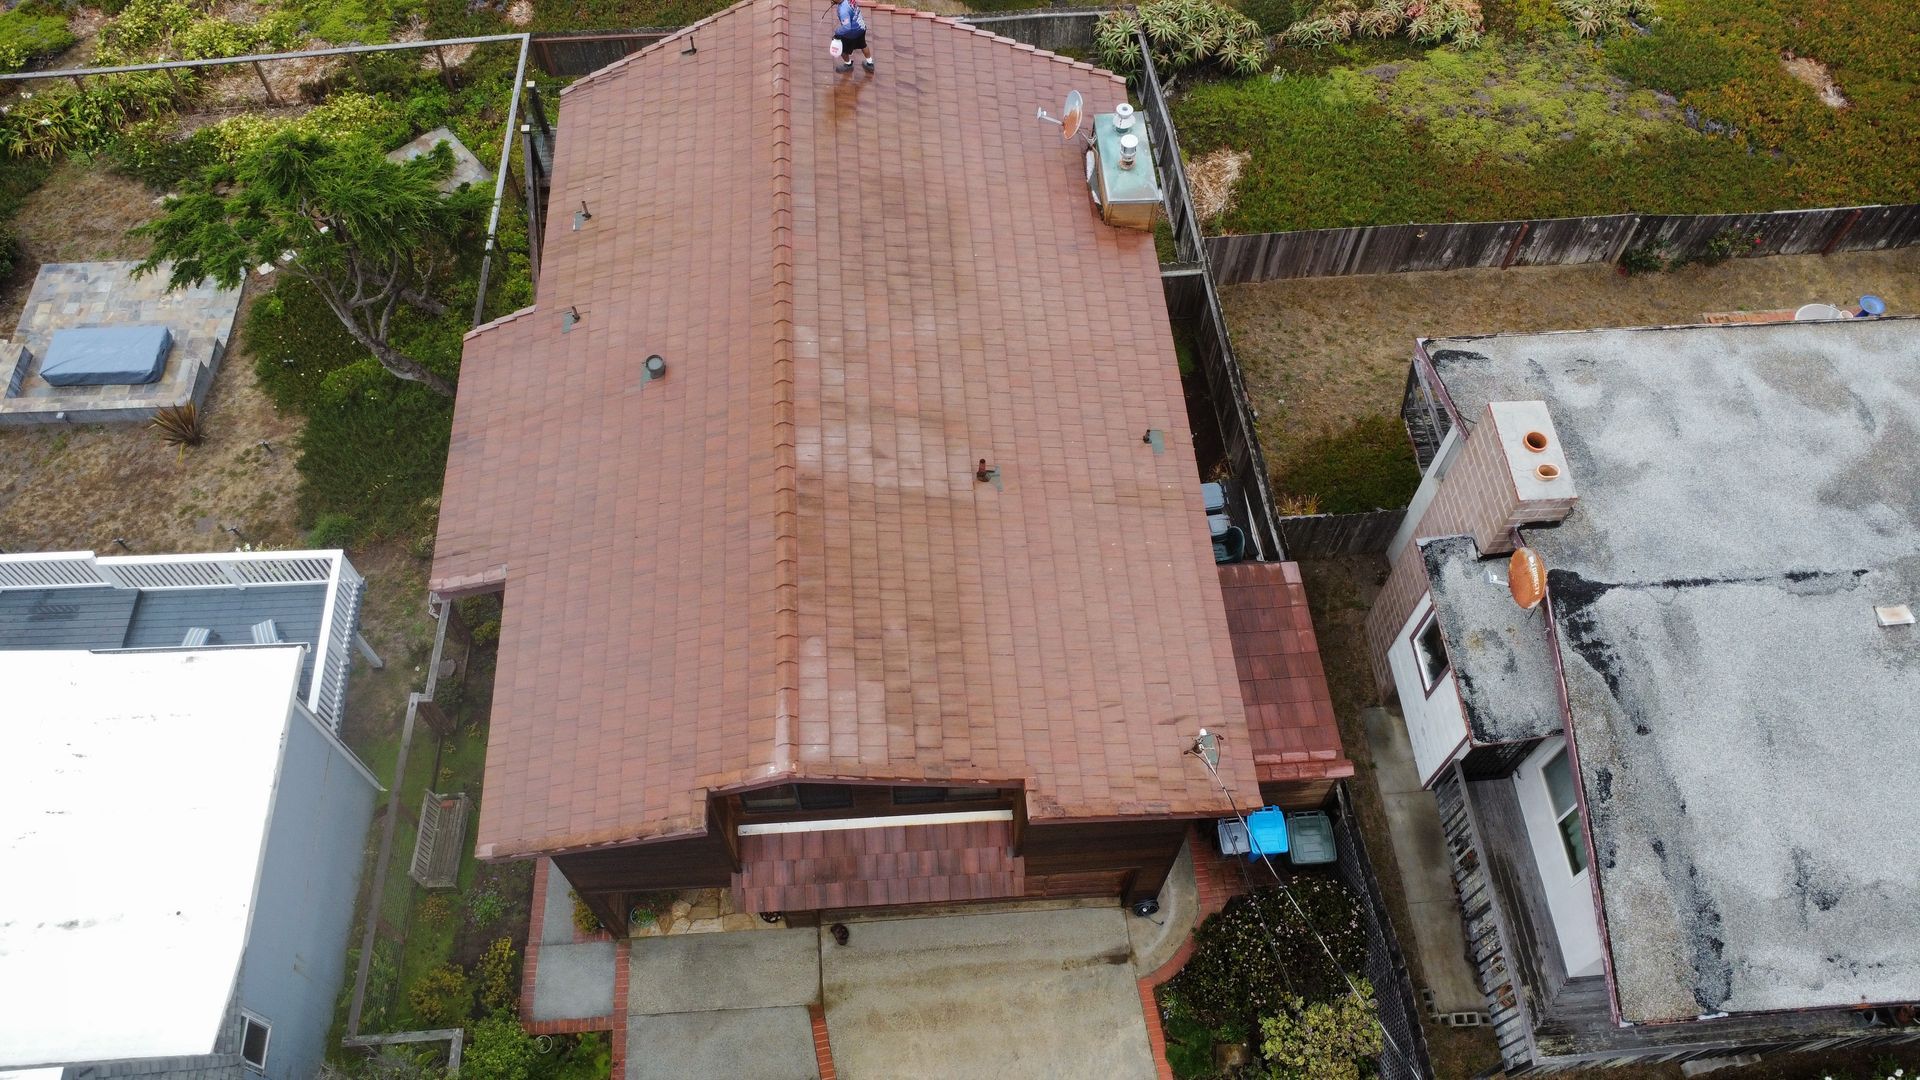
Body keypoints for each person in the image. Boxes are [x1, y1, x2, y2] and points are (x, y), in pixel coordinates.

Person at [830, 0, 872, 73]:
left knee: (842, 50)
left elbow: (847, 28)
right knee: (863, 45)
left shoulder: (843, 10)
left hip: (851, 33)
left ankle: (848, 65)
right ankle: (870, 63)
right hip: (861, 26)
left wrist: (837, 33)